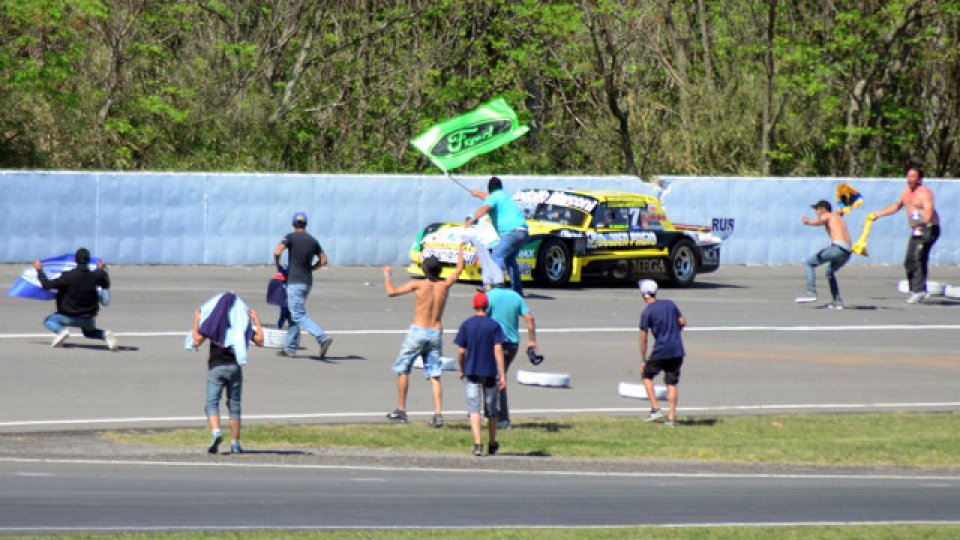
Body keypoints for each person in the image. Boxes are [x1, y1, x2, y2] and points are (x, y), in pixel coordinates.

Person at [383, 249, 465, 427]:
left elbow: (391, 292)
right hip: (435, 332)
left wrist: (387, 275)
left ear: (425, 270)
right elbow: (459, 268)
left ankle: (401, 410)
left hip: (418, 330)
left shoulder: (418, 285)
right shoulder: (444, 285)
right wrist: (460, 248)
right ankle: (438, 414)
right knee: (435, 374)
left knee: (403, 369)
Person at [191, 292, 264, 454]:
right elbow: (260, 340)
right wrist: (256, 320)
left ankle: (216, 432)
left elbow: (196, 339)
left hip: (216, 367)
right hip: (235, 368)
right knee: (234, 405)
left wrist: (196, 320)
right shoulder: (240, 325)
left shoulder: (214, 323)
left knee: (212, 403)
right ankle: (235, 443)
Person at [869, 165, 941, 304]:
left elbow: (929, 210)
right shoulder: (906, 192)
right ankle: (916, 289)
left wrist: (923, 224)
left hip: (929, 228)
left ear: (919, 179)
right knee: (909, 260)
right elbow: (896, 206)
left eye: (913, 176)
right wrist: (878, 214)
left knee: (918, 257)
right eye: (908, 176)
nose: (909, 179)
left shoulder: (925, 192)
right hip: (916, 229)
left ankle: (919, 291)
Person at [273, 211, 333, 358]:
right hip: (307, 282)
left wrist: (278, 266)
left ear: (293, 224)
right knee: (295, 313)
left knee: (298, 314)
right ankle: (290, 348)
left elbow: (277, 252)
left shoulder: (290, 237)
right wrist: (313, 268)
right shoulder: (313, 240)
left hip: (295, 281)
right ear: (305, 224)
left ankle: (321, 337)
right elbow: (324, 260)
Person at [455, 291, 507, 456]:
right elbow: (498, 350)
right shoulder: (494, 325)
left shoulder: (466, 325)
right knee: (491, 410)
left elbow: (461, 351)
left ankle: (478, 444)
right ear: (487, 306)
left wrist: (462, 369)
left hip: (472, 372)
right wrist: (502, 374)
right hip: (490, 372)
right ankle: (492, 442)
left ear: (473, 305)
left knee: (474, 409)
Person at [34, 248, 118, 351]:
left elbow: (47, 285)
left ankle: (61, 332)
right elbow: (106, 285)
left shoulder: (68, 276)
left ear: (75, 260)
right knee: (89, 332)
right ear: (88, 260)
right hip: (88, 317)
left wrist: (39, 270)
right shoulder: (96, 276)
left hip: (69, 315)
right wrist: (102, 270)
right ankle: (104, 335)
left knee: (48, 321)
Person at [484, 281, 538, 429]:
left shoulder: (488, 296)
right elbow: (529, 319)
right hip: (512, 344)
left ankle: (500, 418)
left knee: (495, 380)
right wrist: (532, 341)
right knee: (498, 377)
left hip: (495, 344)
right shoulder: (516, 296)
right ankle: (493, 414)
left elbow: (481, 318)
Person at [465, 176, 529, 296]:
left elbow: (485, 208)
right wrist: (477, 194)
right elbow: (487, 198)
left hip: (512, 233)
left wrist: (471, 218)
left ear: (490, 189)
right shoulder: (504, 195)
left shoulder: (494, 197)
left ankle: (490, 284)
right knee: (510, 260)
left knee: (496, 256)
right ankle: (517, 291)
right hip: (523, 232)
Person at [637, 279, 686, 427]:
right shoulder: (670, 304)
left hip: (661, 350)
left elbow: (643, 338)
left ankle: (655, 408)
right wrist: (674, 333)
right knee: (671, 383)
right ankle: (671, 417)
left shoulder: (647, 312)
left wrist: (643, 359)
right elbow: (682, 321)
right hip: (677, 350)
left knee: (646, 375)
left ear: (643, 294)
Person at [795, 200, 852, 309]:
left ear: (822, 210)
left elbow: (822, 220)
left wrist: (809, 222)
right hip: (847, 252)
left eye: (816, 209)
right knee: (829, 272)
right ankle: (837, 302)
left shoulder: (828, 215)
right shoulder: (838, 217)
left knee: (809, 263)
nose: (816, 212)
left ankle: (811, 293)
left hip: (837, 248)